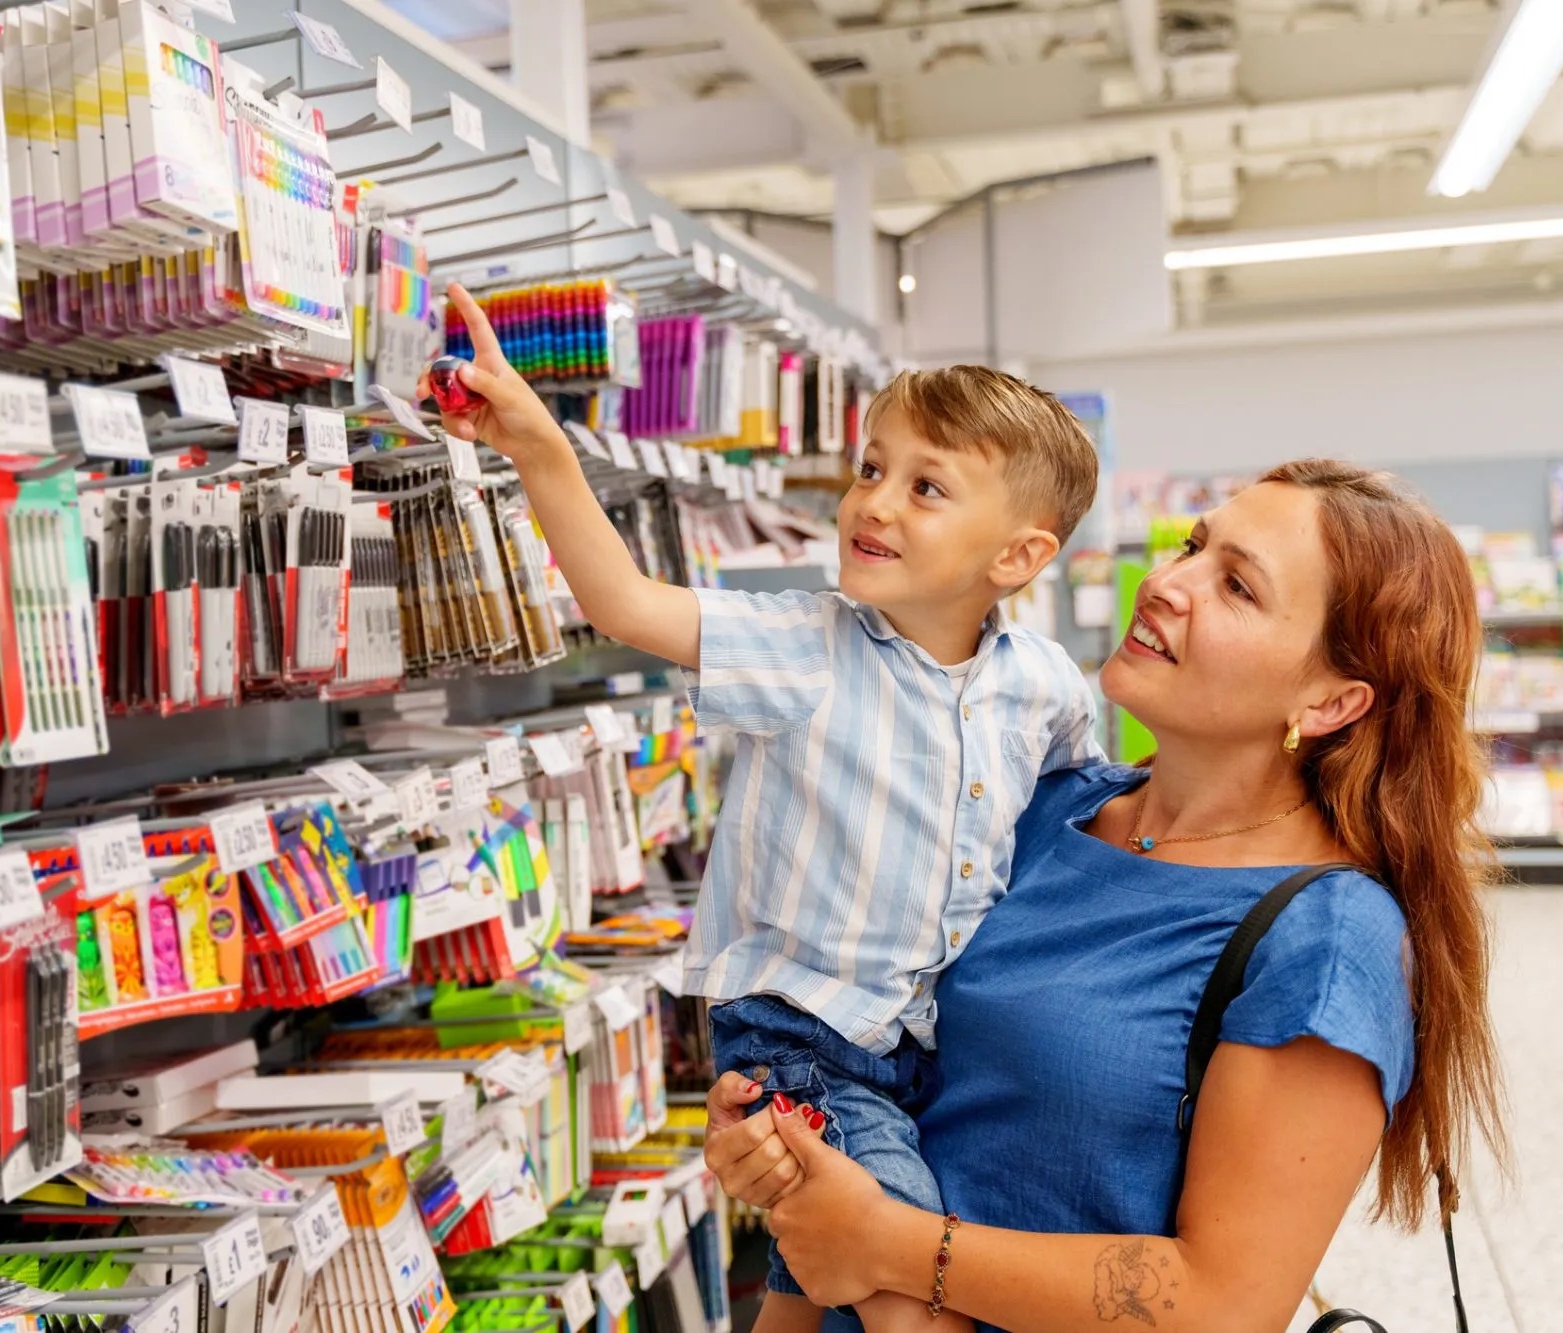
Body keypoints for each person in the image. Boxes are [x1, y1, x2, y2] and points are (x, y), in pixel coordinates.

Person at [422, 284, 1103, 1333]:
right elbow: (624, 602)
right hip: (802, 1040)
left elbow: (1075, 824)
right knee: (909, 1285)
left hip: (932, 1039)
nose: (873, 502)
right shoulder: (805, 647)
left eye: (926, 487)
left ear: (1015, 557)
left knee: (803, 1284)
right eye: (870, 468)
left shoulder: (1046, 683)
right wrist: (541, 451)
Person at [702, 460, 1509, 1333]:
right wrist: (783, 1129)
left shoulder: (1326, 936)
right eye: (1193, 546)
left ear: (1330, 701)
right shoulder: (1044, 803)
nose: (1165, 583)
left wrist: (891, 1243)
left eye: (1235, 585)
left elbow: (1224, 1303)